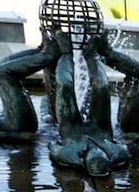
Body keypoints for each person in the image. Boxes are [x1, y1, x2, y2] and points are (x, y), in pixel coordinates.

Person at [42, 28, 131, 176]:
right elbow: (125, 149)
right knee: (102, 86)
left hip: (70, 128)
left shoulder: (69, 155)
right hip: (100, 127)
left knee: (64, 85)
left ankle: (66, 52)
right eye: (100, 152)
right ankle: (91, 56)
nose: (96, 149)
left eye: (93, 153)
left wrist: (47, 139)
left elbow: (52, 147)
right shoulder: (117, 153)